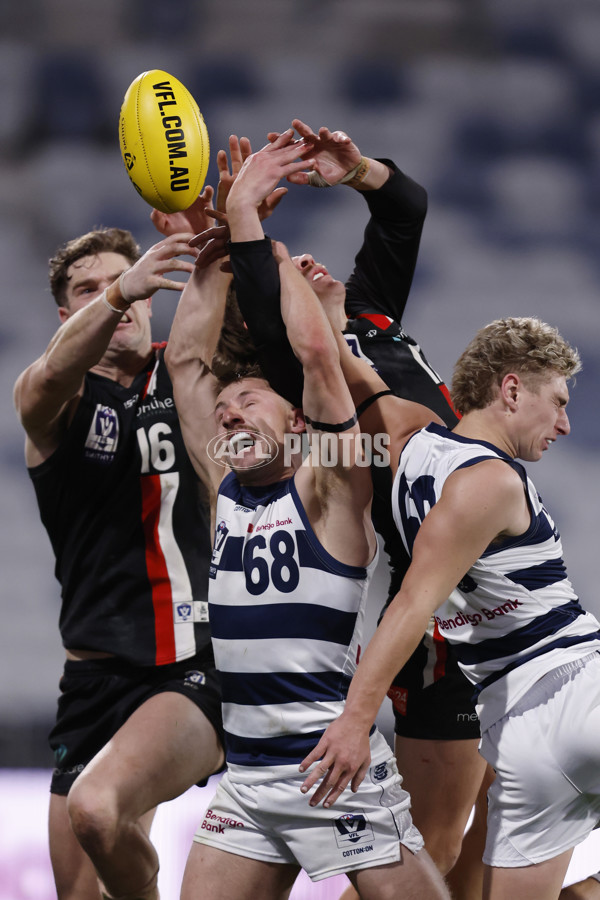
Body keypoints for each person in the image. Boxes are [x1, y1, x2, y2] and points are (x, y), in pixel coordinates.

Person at [164, 131, 449, 900]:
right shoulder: (225, 486)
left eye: (249, 398)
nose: (227, 409)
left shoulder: (331, 479)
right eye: (226, 406)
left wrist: (258, 226)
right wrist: (215, 252)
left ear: (296, 423)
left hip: (331, 762)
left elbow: (321, 361)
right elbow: (187, 366)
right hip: (248, 779)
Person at [299, 316, 600, 900]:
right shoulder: (490, 482)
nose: (564, 423)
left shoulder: (413, 437)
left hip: (515, 729)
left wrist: (287, 274)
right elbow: (413, 601)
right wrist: (355, 721)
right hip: (580, 689)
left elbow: (333, 358)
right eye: (557, 402)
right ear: (511, 390)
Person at [13, 214, 225, 900]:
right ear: (65, 312)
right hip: (92, 680)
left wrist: (224, 231)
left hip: (189, 670)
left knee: (101, 814)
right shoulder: (55, 400)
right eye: (90, 289)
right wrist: (116, 295)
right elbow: (46, 377)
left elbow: (249, 311)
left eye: (127, 280)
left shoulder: (189, 370)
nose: (120, 296)